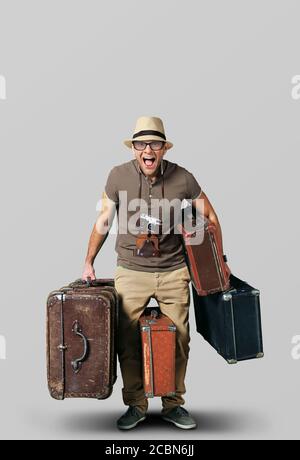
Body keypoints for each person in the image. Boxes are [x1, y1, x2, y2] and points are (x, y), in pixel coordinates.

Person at [82, 116, 229, 430]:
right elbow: (103, 222)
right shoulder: (117, 176)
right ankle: (135, 404)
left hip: (174, 271)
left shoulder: (183, 178)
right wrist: (88, 261)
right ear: (134, 148)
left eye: (154, 143)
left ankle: (173, 404)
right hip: (131, 272)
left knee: (181, 338)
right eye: (141, 143)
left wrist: (217, 256)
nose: (147, 149)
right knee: (127, 340)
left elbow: (212, 218)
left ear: (163, 148)